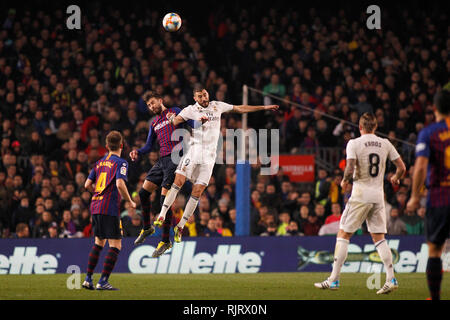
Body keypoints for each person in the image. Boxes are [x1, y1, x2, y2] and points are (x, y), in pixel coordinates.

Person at [155, 85, 279, 242]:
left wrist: (264, 107)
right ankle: (162, 214)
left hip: (210, 156)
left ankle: (180, 226)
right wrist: (172, 118)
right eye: (200, 96)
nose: (204, 98)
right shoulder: (190, 109)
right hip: (194, 150)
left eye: (205, 95)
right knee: (179, 180)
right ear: (195, 98)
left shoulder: (217, 105)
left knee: (198, 191)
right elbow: (175, 121)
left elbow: (240, 108)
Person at [314, 113, 406, 295]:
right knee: (379, 238)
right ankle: (391, 278)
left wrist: (345, 181)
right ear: (376, 127)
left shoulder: (354, 143)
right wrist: (395, 178)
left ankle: (333, 279)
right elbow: (402, 167)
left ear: (360, 126)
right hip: (378, 196)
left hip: (360, 194)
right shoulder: (385, 143)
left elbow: (349, 166)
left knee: (343, 234)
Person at [130, 91, 197, 258]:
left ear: (160, 100)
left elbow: (192, 122)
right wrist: (137, 151)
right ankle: (147, 227)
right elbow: (148, 146)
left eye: (153, 103)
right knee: (143, 193)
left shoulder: (174, 111)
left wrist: (202, 124)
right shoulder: (154, 123)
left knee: (164, 201)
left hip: (176, 159)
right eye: (149, 106)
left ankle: (165, 240)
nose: (152, 107)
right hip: (161, 161)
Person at [406, 89, 450, 301]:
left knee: (434, 250)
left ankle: (435, 297)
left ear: (435, 108)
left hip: (440, 197)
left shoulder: (429, 132)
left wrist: (415, 196)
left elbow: (421, 166)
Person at [82, 131, 135, 291]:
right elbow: (119, 184)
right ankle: (103, 281)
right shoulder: (121, 162)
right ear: (121, 145)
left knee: (99, 242)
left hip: (95, 206)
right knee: (116, 245)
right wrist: (130, 201)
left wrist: (98, 194)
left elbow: (86, 185)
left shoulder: (98, 163)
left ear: (106, 146)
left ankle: (88, 279)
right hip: (109, 208)